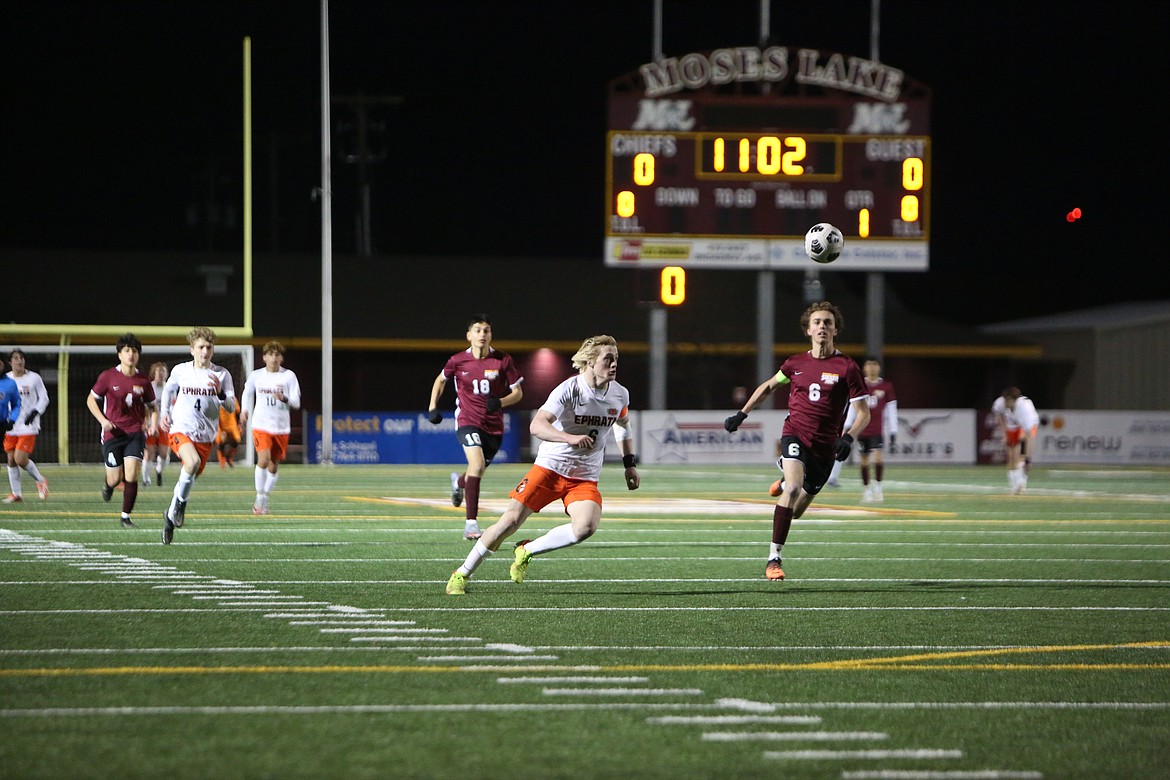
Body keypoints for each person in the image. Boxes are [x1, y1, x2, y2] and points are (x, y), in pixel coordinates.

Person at [446, 334, 639, 595]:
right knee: (509, 522)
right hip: (549, 469)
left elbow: (623, 427)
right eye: (608, 358)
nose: (614, 364)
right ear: (591, 361)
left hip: (584, 478)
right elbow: (537, 425)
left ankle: (527, 550)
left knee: (585, 528)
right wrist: (568, 438)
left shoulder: (620, 394)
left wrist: (629, 464)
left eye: (616, 359)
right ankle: (461, 574)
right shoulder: (568, 389)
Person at [724, 301, 870, 581]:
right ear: (808, 330)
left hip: (825, 448)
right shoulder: (795, 363)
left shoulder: (848, 367)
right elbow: (768, 386)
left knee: (798, 510)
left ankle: (785, 473)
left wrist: (848, 438)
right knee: (792, 488)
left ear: (835, 329)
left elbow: (863, 413)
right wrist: (742, 414)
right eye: (817, 322)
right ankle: (773, 559)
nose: (822, 327)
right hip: (796, 434)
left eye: (828, 322)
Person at [427, 314, 524, 541]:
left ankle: (459, 482)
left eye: (486, 330)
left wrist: (499, 402)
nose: (482, 335)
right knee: (477, 463)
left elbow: (518, 393)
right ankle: (471, 524)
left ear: (491, 335)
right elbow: (440, 380)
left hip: (494, 425)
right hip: (467, 420)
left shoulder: (503, 360)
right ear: (469, 335)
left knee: (476, 470)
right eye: (478, 330)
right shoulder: (457, 360)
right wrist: (432, 406)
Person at [159, 326, 236, 544]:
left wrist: (220, 392)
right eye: (201, 347)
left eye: (209, 347)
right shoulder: (181, 370)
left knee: (190, 473)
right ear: (191, 349)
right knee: (191, 462)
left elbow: (230, 407)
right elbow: (168, 389)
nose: (205, 351)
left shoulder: (222, 374)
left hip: (205, 438)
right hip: (180, 429)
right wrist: (164, 412)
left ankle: (170, 515)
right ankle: (181, 504)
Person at [86, 333, 158, 528]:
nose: (131, 354)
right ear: (119, 354)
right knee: (115, 478)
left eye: (134, 351)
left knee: (132, 475)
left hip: (135, 433)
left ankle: (125, 516)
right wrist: (103, 420)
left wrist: (152, 424)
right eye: (127, 351)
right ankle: (108, 485)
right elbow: (91, 400)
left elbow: (153, 407)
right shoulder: (108, 376)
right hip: (113, 434)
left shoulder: (143, 381)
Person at [240, 340, 302, 515]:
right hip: (261, 424)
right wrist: (244, 410)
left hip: (281, 427)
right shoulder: (256, 375)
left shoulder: (289, 376)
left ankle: (265, 495)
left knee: (274, 465)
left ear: (281, 358)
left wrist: (284, 398)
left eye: (277, 355)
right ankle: (259, 496)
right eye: (270, 354)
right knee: (264, 459)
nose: (274, 358)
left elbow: (296, 402)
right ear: (264, 357)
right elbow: (247, 391)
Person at [831, 356, 898, 503]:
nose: (872, 368)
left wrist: (893, 432)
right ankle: (867, 490)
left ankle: (878, 488)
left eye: (875, 365)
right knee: (864, 461)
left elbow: (892, 410)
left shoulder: (886, 386)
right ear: (864, 368)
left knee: (879, 459)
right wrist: (847, 427)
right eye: (869, 365)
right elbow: (853, 409)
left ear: (879, 368)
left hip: (878, 430)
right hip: (862, 430)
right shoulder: (859, 385)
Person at [3, 349, 51, 503]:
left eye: (22, 358)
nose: (19, 361)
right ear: (10, 363)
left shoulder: (34, 378)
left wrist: (35, 412)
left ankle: (41, 480)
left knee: (20, 458)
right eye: (16, 358)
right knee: (10, 459)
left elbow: (44, 398)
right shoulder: (6, 379)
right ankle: (16, 494)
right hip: (11, 425)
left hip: (28, 425)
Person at [992, 386, 1040, 495]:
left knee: (1019, 456)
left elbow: (1029, 436)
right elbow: (999, 416)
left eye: (1007, 400)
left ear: (1013, 400)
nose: (1004, 403)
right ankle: (1014, 487)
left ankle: (1021, 485)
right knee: (1011, 459)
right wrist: (1004, 434)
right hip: (1012, 426)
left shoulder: (1025, 410)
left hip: (1027, 427)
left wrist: (1028, 458)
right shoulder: (1000, 403)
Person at [142, 362, 171, 487]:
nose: (161, 374)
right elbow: (144, 407)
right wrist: (145, 423)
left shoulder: (170, 388)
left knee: (164, 453)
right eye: (159, 371)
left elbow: (174, 406)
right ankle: (146, 479)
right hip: (150, 425)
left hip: (164, 425)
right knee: (149, 452)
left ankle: (159, 470)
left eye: (163, 371)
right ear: (154, 373)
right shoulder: (149, 388)